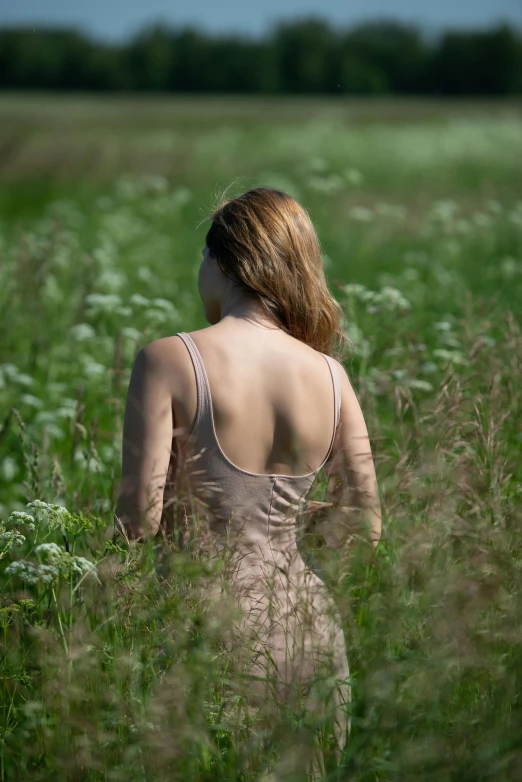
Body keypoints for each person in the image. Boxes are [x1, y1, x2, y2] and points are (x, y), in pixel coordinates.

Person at [114, 186, 381, 772]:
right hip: (308, 628)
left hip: (207, 626)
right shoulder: (332, 376)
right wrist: (287, 526)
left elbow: (139, 519)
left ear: (220, 260)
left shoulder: (167, 359)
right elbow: (366, 524)